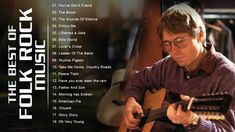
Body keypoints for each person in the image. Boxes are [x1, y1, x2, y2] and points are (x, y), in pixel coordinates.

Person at [123, 3, 235, 132]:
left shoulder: (229, 76)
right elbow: (137, 79)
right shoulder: (169, 65)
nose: (173, 51)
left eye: (180, 41)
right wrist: (131, 101)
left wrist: (194, 122)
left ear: (200, 36)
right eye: (167, 44)